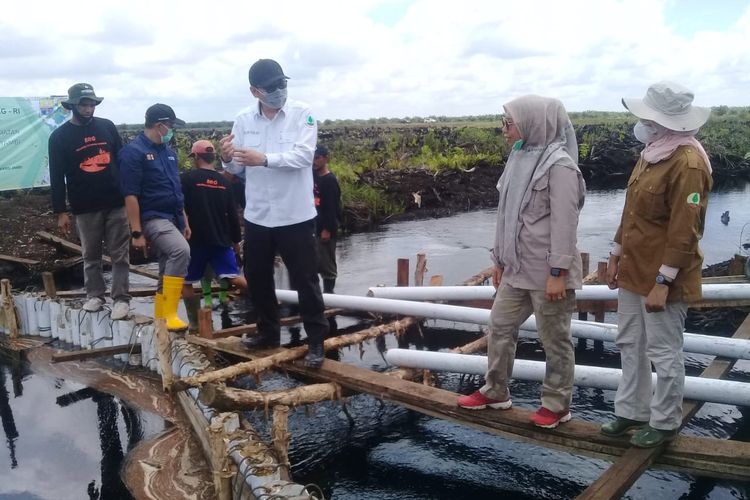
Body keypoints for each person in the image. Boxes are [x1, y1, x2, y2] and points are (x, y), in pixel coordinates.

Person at [457, 95, 586, 429]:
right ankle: (495, 390)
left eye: (508, 123)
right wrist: (499, 259)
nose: (504, 130)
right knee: (499, 327)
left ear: (532, 122)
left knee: (555, 339)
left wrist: (558, 272)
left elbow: (564, 224)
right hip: (516, 269)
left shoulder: (559, 166)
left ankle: (557, 405)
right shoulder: (518, 158)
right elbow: (505, 216)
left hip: (548, 274)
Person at [601, 82, 712, 447]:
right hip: (634, 269)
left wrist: (663, 281)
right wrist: (615, 253)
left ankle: (665, 421)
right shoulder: (651, 153)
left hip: (665, 276)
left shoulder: (688, 162)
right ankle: (631, 410)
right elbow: (631, 213)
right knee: (630, 342)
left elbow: (686, 230)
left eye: (648, 117)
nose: (643, 123)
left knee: (664, 351)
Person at [220, 58, 329, 368]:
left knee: (305, 280)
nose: (279, 90)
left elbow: (304, 156)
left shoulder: (302, 114)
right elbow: (237, 166)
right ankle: (267, 332)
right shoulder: (243, 120)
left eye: (283, 84)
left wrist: (264, 158)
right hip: (258, 215)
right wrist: (228, 159)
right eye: (272, 87)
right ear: (255, 91)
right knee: (257, 276)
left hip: (295, 214)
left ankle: (317, 341)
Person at [48, 83, 131, 320]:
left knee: (120, 253)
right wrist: (60, 210)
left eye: (91, 103)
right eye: (83, 104)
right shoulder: (59, 137)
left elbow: (122, 160)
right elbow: (57, 176)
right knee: (91, 254)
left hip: (116, 201)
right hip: (84, 205)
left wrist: (130, 194)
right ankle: (95, 294)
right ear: (73, 106)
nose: (88, 108)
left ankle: (121, 299)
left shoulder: (107, 127)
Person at [118, 104, 191, 331]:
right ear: (159, 125)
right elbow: (130, 195)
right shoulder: (133, 153)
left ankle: (161, 317)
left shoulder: (167, 151)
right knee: (181, 251)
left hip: (173, 217)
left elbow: (175, 189)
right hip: (152, 217)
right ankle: (170, 314)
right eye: (170, 125)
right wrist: (136, 231)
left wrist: (185, 220)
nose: (172, 130)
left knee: (166, 265)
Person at [181, 140, 247, 332]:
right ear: (213, 157)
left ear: (196, 157)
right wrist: (235, 241)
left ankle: (194, 325)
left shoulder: (187, 179)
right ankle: (266, 303)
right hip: (221, 241)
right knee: (235, 278)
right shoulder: (225, 182)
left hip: (195, 242)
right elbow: (233, 215)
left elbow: (179, 207)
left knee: (186, 283)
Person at [313, 145, 342, 294]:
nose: (314, 161)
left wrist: (327, 229)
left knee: (327, 264)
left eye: (317, 157)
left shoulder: (329, 181)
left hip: (325, 228)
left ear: (325, 158)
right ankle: (318, 295)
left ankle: (329, 295)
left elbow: (332, 208)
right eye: (312, 157)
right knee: (313, 262)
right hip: (313, 226)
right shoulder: (313, 176)